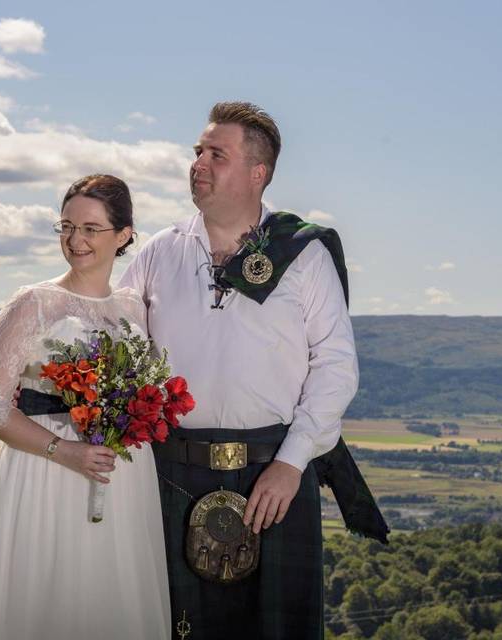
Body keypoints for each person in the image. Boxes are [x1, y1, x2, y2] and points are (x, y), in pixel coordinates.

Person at [120, 102, 362, 639]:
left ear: (258, 173)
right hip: (169, 472)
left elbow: (336, 367)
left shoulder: (302, 254)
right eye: (198, 152)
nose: (199, 163)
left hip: (273, 476)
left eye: (217, 155)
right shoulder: (161, 252)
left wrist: (293, 463)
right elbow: (118, 345)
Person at [0, 175, 171, 640]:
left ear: (124, 235)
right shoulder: (33, 303)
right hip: (44, 471)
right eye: (67, 226)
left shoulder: (135, 308)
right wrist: (64, 451)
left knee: (111, 596)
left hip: (120, 477)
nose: (76, 240)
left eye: (91, 228)